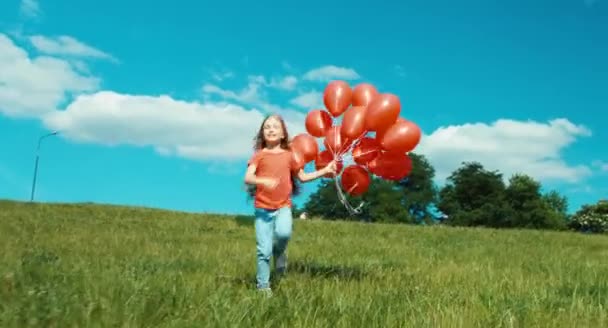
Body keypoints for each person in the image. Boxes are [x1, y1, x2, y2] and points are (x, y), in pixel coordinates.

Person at [244, 114, 336, 295]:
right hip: (263, 209)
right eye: (267, 127)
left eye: (275, 127)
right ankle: (263, 287)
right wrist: (263, 181)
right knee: (263, 251)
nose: (270, 129)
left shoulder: (289, 156)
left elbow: (302, 177)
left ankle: (280, 254)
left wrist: (325, 170)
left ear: (283, 134)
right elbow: (248, 177)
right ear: (262, 134)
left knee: (283, 235)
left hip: (283, 207)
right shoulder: (259, 156)